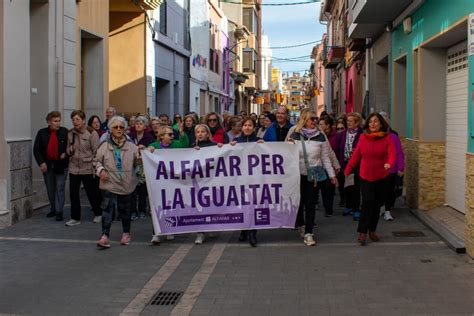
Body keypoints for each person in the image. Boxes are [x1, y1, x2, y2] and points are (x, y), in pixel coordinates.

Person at [345, 113, 396, 245]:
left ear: (381, 124)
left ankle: (372, 229)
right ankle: (362, 232)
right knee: (367, 202)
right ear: (367, 124)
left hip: (381, 176)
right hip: (366, 176)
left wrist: (389, 164)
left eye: (376, 122)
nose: (373, 124)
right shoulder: (363, 137)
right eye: (371, 122)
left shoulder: (387, 138)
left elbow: (392, 154)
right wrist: (348, 169)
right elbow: (357, 155)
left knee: (377, 205)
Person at [288, 110, 337, 246]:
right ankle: (301, 224)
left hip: (314, 174)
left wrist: (332, 175)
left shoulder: (321, 136)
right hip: (297, 174)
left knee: (310, 203)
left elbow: (325, 157)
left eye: (315, 119)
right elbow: (285, 154)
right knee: (298, 202)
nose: (314, 121)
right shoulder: (295, 135)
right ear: (304, 120)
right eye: (311, 119)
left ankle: (309, 233)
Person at [95, 116, 139, 248]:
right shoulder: (104, 145)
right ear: (110, 129)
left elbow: (139, 161)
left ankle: (126, 233)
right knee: (107, 208)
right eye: (115, 127)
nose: (119, 129)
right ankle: (105, 235)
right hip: (108, 181)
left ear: (125, 129)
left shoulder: (132, 146)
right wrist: (101, 170)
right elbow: (96, 160)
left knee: (125, 209)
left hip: (126, 182)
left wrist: (147, 152)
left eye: (121, 127)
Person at [148, 123, 189, 244]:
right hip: (158, 183)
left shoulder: (177, 144)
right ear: (161, 136)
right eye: (170, 134)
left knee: (171, 206)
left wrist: (182, 135)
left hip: (173, 182)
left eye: (173, 134)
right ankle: (155, 233)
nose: (172, 137)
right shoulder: (154, 146)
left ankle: (169, 229)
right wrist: (148, 150)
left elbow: (186, 147)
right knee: (157, 207)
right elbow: (145, 155)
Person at [231, 117, 264, 247]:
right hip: (240, 180)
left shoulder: (259, 141)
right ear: (242, 127)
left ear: (254, 127)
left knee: (254, 205)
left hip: (255, 179)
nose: (247, 127)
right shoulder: (236, 141)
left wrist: (264, 146)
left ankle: (252, 233)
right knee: (243, 205)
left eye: (250, 125)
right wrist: (228, 146)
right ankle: (244, 230)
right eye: (245, 125)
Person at [66, 110, 102, 226]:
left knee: (91, 192)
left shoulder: (91, 133)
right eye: (73, 120)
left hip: (87, 166)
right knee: (73, 193)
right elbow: (67, 149)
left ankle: (98, 213)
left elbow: (97, 151)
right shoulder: (70, 133)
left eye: (77, 119)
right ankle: (75, 218)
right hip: (73, 167)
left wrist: (95, 166)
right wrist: (69, 150)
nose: (75, 122)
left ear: (83, 120)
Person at [33, 111, 69, 221]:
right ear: (49, 122)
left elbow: (71, 146)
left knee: (60, 188)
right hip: (47, 166)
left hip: (61, 165)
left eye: (59, 121)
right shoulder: (42, 133)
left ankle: (59, 211)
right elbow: (36, 150)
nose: (57, 123)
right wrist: (41, 162)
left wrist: (66, 153)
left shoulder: (65, 132)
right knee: (50, 188)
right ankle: (53, 209)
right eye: (55, 121)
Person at [192, 124, 224, 245]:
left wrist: (221, 147)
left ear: (207, 134)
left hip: (212, 180)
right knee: (199, 205)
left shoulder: (214, 146)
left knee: (210, 204)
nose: (200, 134)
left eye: (202, 132)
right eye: (198, 132)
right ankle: (200, 233)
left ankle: (210, 227)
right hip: (199, 182)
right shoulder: (193, 147)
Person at [335, 112, 363, 220]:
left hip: (356, 165)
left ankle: (356, 208)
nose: (349, 123)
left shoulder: (362, 134)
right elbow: (337, 149)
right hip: (344, 163)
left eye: (351, 121)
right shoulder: (342, 134)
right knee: (345, 186)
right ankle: (348, 206)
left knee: (355, 187)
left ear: (357, 123)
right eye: (348, 121)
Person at [379, 112, 405, 221]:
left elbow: (399, 153)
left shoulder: (393, 137)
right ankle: (380, 207)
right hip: (377, 169)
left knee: (389, 190)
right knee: (378, 190)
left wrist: (400, 167)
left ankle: (387, 211)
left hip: (390, 169)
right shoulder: (372, 137)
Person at [128, 115, 154, 220]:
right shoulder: (130, 136)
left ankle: (142, 210)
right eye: (137, 123)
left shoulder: (149, 137)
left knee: (143, 190)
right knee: (132, 189)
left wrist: (146, 148)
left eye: (141, 123)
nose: (138, 125)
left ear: (145, 126)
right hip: (132, 165)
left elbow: (152, 150)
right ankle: (133, 211)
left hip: (143, 166)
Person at [318, 116, 341, 217]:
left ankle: (329, 208)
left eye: (321, 124)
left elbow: (331, 152)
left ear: (327, 125)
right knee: (322, 188)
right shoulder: (318, 134)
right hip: (319, 165)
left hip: (329, 164)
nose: (319, 126)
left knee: (329, 188)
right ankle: (324, 205)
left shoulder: (334, 136)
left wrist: (336, 165)